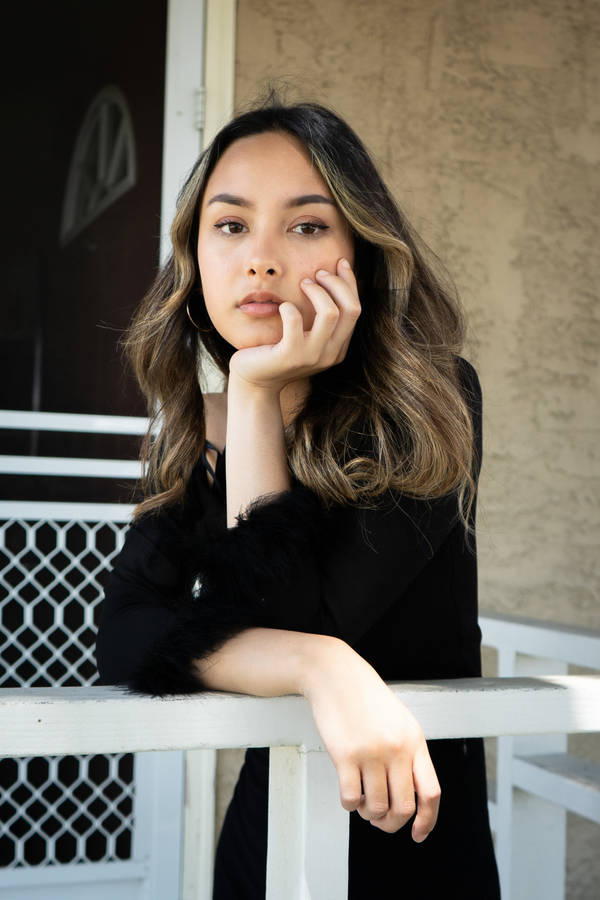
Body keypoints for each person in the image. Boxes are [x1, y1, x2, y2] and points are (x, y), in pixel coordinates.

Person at [95, 95, 500, 899]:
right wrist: (318, 666)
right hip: (267, 818)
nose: (262, 259)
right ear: (196, 255)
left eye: (307, 225)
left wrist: (253, 395)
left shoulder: (432, 398)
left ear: (362, 250)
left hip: (411, 821)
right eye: (232, 225)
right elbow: (124, 631)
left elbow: (301, 614)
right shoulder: (187, 429)